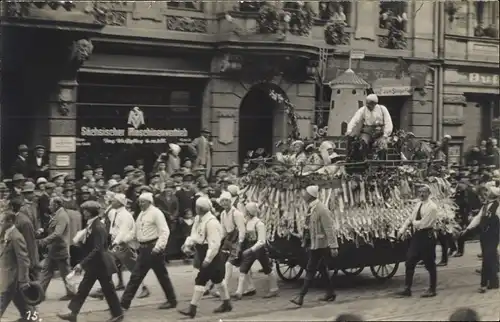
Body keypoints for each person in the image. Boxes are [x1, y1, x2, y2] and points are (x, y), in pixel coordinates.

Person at [57, 201, 124, 322]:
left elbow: (97, 249)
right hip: (96, 264)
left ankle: (118, 314)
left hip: (101, 264)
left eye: (86, 211)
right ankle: (73, 312)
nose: (84, 213)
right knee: (84, 288)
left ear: (91, 212)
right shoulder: (92, 225)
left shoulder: (97, 226)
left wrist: (82, 263)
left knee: (108, 291)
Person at [120, 192, 177, 310]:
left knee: (142, 276)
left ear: (149, 202)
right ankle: (172, 300)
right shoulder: (141, 214)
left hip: (153, 248)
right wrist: (123, 239)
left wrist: (159, 246)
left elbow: (164, 231)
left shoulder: (156, 213)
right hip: (144, 248)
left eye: (143, 201)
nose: (140, 204)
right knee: (153, 275)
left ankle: (124, 303)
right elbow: (135, 232)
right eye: (139, 201)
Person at [178, 197, 232, 318]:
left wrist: (208, 259)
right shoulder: (198, 218)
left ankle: (192, 308)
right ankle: (227, 303)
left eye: (197, 207)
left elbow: (215, 244)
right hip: (202, 251)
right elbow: (194, 234)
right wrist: (188, 244)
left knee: (200, 280)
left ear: (200, 208)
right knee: (218, 280)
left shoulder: (211, 222)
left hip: (211, 254)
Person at [93, 193, 149, 299]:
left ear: (119, 203)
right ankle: (104, 289)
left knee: (134, 268)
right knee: (107, 265)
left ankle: (144, 288)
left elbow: (123, 231)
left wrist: (115, 243)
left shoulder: (124, 215)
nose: (111, 202)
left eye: (113, 201)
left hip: (124, 244)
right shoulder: (117, 213)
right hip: (118, 243)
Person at [290, 185, 338, 306]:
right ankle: (330, 292)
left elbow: (329, 228)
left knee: (310, 269)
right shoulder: (312, 208)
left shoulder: (321, 209)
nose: (303, 195)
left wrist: (333, 246)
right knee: (322, 268)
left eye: (305, 193)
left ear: (311, 196)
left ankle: (300, 296)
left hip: (321, 245)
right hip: (314, 243)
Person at [396, 184, 438, 298]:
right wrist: (402, 229)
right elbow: (411, 218)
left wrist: (413, 222)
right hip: (417, 236)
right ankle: (407, 288)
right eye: (420, 192)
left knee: (429, 263)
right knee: (410, 260)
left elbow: (423, 224)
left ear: (429, 193)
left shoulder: (432, 207)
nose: (422, 194)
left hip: (427, 236)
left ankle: (432, 288)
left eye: (424, 192)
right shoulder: (418, 204)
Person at [232, 202, 278, 300]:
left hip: (259, 249)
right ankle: (240, 291)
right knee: (243, 269)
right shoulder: (247, 222)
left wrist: (250, 250)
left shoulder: (259, 224)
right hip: (250, 248)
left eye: (246, 211)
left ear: (249, 212)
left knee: (267, 268)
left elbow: (261, 241)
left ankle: (274, 288)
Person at [462, 186, 499, 293]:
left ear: (493, 195)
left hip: (493, 236)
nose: (485, 194)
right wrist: (468, 229)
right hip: (484, 236)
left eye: (488, 192)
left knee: (487, 258)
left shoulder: (498, 207)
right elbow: (477, 219)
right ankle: (494, 282)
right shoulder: (485, 207)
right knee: (490, 258)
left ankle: (483, 283)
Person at [0, 211, 35, 320]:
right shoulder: (6, 233)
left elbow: (23, 259)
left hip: (11, 278)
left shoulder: (16, 237)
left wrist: (23, 280)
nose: (0, 223)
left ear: (10, 221)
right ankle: (33, 318)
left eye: (1, 221)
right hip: (8, 276)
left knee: (2, 302)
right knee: (23, 304)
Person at [38, 196, 74, 301]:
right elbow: (51, 229)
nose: (49, 206)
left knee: (65, 273)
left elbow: (58, 233)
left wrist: (44, 241)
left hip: (60, 249)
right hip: (54, 249)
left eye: (50, 204)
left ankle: (72, 293)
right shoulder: (56, 215)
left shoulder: (62, 216)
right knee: (46, 271)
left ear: (56, 205)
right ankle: (40, 293)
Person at [346, 94, 393, 160]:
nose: (368, 105)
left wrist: (385, 135)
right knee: (362, 143)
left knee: (383, 147)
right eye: (367, 103)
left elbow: (388, 122)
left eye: (370, 103)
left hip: (379, 132)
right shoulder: (363, 109)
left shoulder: (382, 109)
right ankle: (364, 161)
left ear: (375, 103)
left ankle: (382, 165)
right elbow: (354, 120)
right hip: (367, 131)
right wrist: (349, 130)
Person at [12, 197, 39, 280]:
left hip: (26, 258)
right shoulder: (13, 218)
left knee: (31, 282)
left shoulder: (24, 222)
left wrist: (31, 261)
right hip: (17, 257)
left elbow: (30, 242)